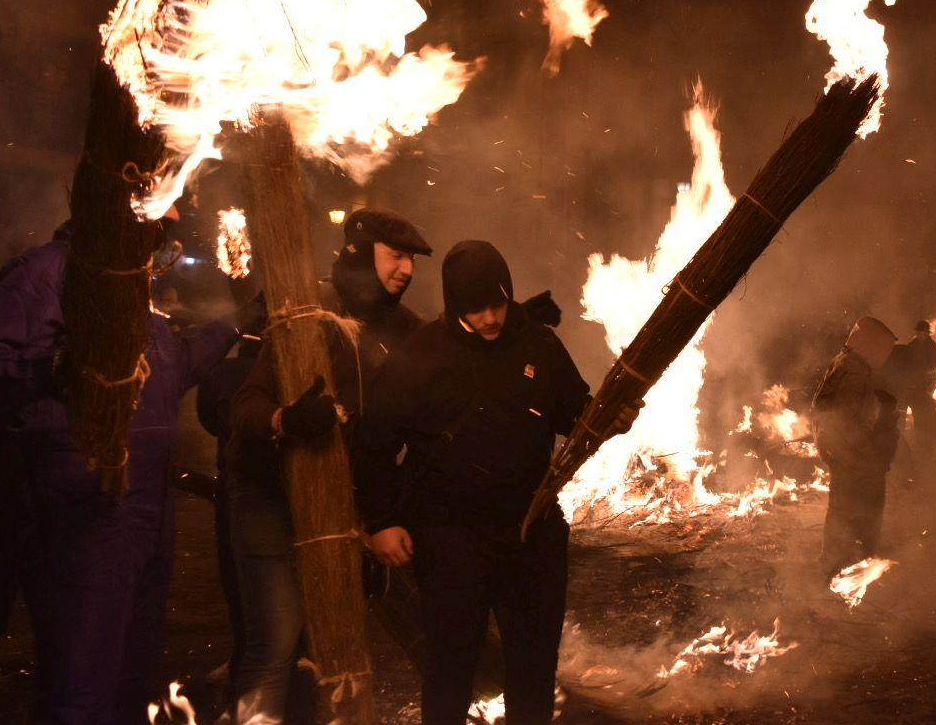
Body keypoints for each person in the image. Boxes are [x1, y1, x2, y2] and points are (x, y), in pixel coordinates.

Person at [0, 217, 239, 725]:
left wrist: (233, 324)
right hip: (80, 514)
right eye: (161, 211)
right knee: (81, 694)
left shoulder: (134, 284)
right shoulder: (49, 272)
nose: (172, 225)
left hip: (146, 522)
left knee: (128, 688)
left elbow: (170, 372)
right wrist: (57, 367)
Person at [353, 240, 636, 725]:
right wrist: (381, 521)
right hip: (449, 536)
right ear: (453, 306)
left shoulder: (538, 343)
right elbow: (373, 442)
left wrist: (611, 418)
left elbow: (576, 412)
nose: (489, 319)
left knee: (533, 666)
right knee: (449, 666)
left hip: (531, 530)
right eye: (475, 309)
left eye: (497, 304)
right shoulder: (422, 355)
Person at [216, 208, 433, 724]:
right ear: (361, 253)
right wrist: (287, 419)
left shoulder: (404, 330)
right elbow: (241, 406)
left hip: (342, 505)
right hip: (268, 495)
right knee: (275, 643)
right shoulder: (303, 311)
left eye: (413, 259)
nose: (408, 269)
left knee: (329, 643)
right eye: (396, 255)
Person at [811, 316, 901, 578]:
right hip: (847, 449)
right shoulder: (854, 370)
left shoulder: (848, 362)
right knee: (855, 503)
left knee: (845, 503)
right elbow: (845, 417)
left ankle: (842, 559)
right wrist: (867, 453)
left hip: (842, 447)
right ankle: (845, 562)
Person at [884, 319, 936, 458]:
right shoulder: (913, 344)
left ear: (927, 333)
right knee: (901, 409)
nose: (920, 335)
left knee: (921, 413)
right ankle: (900, 439)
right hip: (909, 385)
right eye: (918, 332)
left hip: (925, 386)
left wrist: (919, 372)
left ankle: (921, 444)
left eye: (923, 332)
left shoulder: (933, 349)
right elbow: (905, 358)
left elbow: (932, 368)